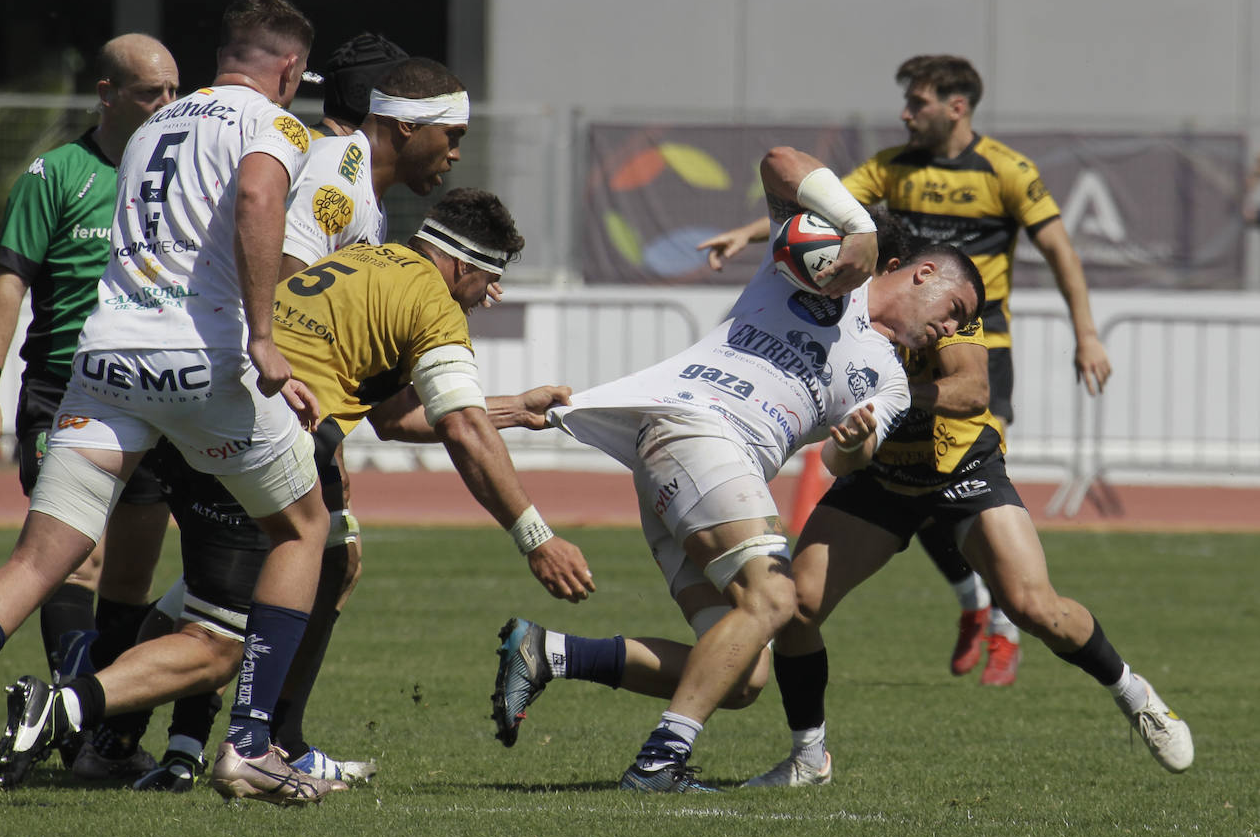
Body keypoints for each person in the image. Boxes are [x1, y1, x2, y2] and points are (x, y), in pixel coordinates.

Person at [509, 218, 1191, 790]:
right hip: (880, 477)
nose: (947, 322)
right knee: (792, 605)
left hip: (961, 469)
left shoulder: (951, 305)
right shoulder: (845, 282)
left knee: (1033, 605)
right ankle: (810, 755)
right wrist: (756, 233)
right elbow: (801, 197)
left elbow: (972, 390)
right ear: (901, 265)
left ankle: (1135, 694)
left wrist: (889, 401)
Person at [0, 188, 597, 793]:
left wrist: (517, 409)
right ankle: (76, 710)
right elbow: (460, 428)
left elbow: (394, 418)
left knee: (321, 559)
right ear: (460, 264)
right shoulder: (432, 300)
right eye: (488, 278)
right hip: (251, 440)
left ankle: (164, 741)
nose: (491, 295)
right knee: (215, 644)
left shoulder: (366, 262)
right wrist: (535, 537)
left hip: (205, 420)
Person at [0, 0, 333, 811]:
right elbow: (259, 202)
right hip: (201, 362)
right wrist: (265, 337)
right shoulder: (277, 123)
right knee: (304, 527)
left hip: (105, 362)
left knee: (35, 559)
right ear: (290, 70)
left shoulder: (152, 129)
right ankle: (248, 745)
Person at [493, 146, 984, 792]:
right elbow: (779, 161)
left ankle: (549, 651)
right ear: (922, 273)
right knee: (777, 595)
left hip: (697, 464)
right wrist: (856, 225)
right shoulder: (826, 262)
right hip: (699, 428)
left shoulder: (889, 380)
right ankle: (658, 764)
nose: (949, 328)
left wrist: (855, 443)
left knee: (745, 675)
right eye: (955, 309)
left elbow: (839, 457)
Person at [121, 49, 472, 791]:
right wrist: (295, 406)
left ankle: (221, 736)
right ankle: (139, 720)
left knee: (296, 567)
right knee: (245, 580)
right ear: (406, 125)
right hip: (257, 402)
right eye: (455, 133)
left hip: (269, 401)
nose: (459, 152)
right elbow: (286, 283)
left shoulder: (365, 195)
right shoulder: (340, 171)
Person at [700, 55, 1114, 683]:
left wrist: (1086, 334)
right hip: (900, 342)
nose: (905, 113)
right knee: (908, 470)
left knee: (949, 461)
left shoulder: (1006, 170)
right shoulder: (892, 168)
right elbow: (824, 210)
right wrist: (751, 234)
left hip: (980, 346)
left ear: (957, 106)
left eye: (917, 102)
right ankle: (981, 601)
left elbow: (1058, 248)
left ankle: (1002, 610)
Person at [0, 36, 179, 747]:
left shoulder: (180, 177)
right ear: (108, 94)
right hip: (62, 387)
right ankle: (72, 726)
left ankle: (92, 719)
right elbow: (10, 281)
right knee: (78, 553)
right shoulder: (56, 174)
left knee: (134, 568)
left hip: (151, 391)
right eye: (152, 93)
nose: (168, 106)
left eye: (176, 91)